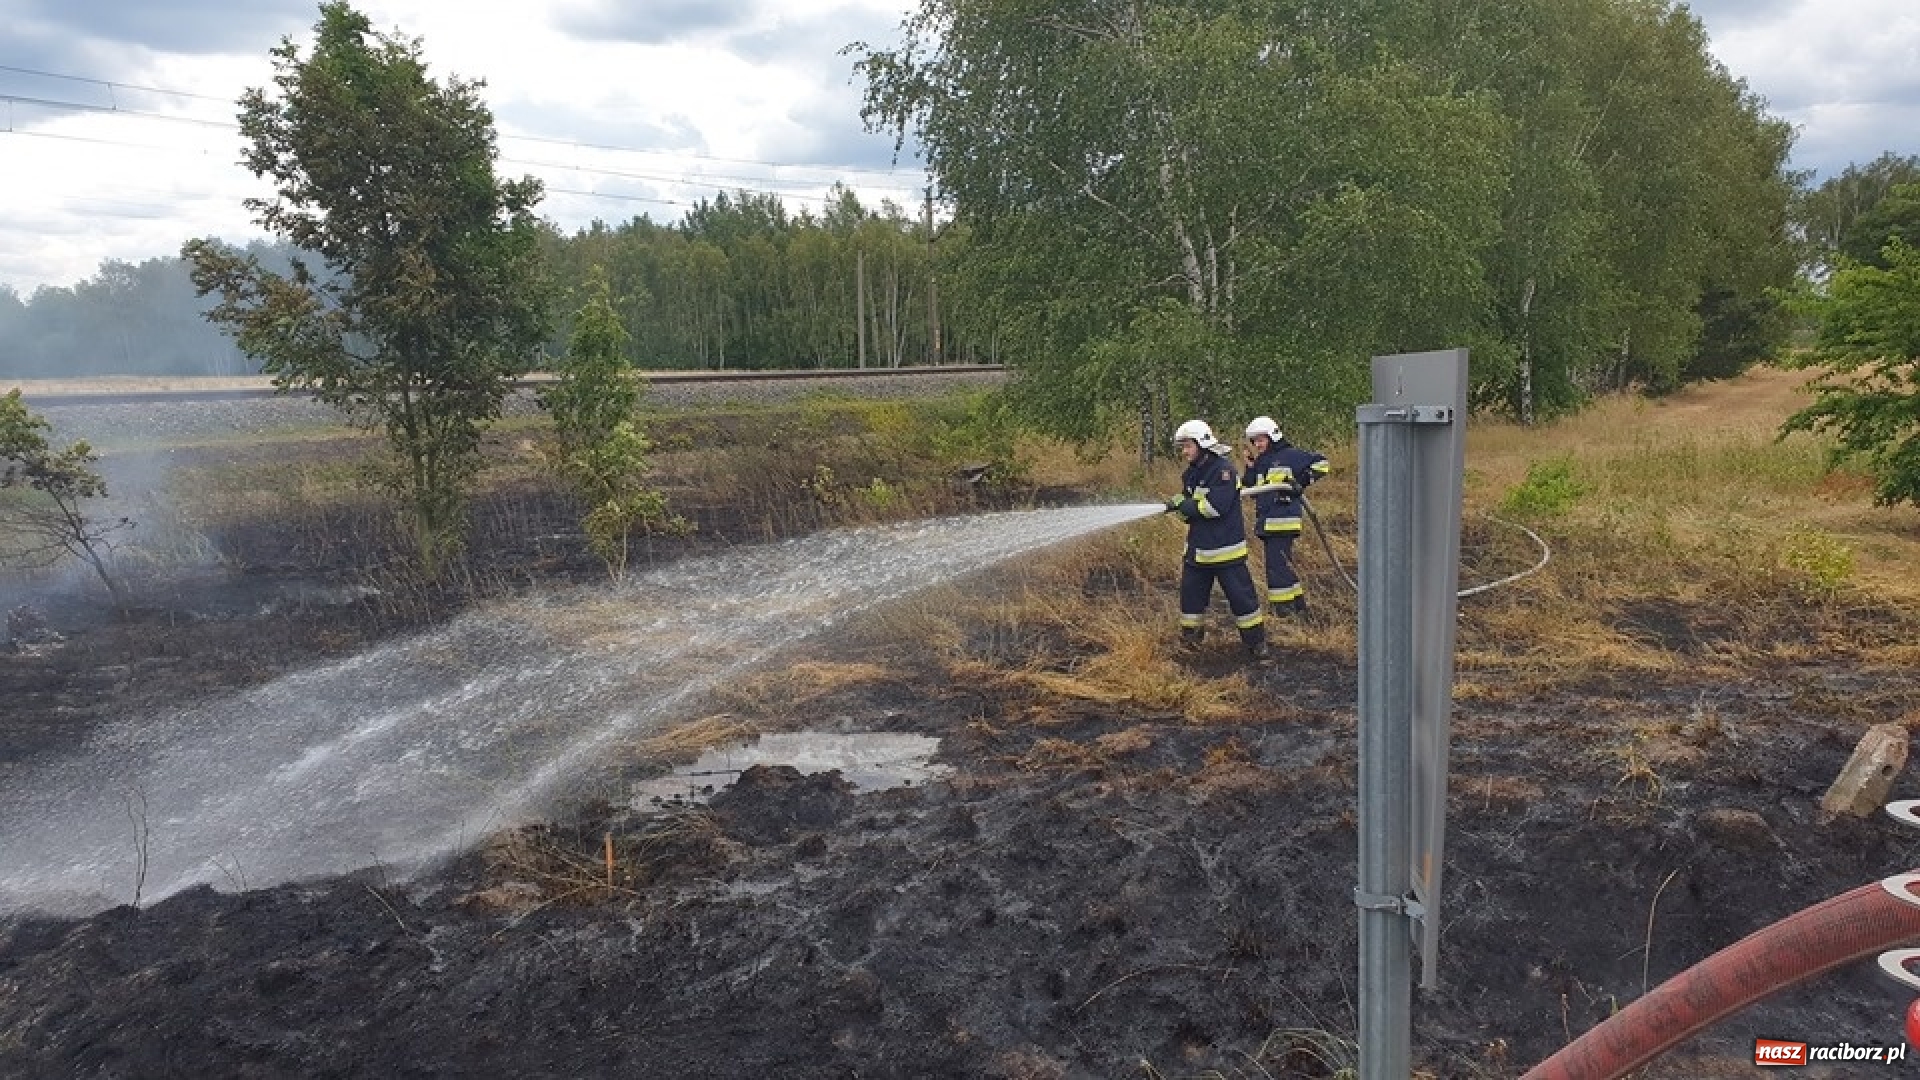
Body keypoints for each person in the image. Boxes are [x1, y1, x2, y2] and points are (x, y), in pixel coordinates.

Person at [1164, 419, 1268, 664]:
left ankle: (1256, 643)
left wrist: (1184, 505)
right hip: (1197, 551)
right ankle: (1190, 642)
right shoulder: (1190, 474)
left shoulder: (1223, 472)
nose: (1185, 452)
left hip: (1225, 552)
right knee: (1190, 600)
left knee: (1242, 599)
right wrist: (1179, 507)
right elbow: (1189, 511)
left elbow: (1213, 508)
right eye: (1183, 447)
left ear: (1202, 443)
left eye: (1188, 446)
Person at [1241, 415, 1330, 618]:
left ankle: (1283, 611)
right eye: (1254, 441)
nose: (1257, 444)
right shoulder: (1263, 461)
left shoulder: (1290, 455)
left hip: (1282, 519)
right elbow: (1252, 489)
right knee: (1283, 564)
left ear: (1272, 437)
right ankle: (1298, 604)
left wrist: (1301, 482)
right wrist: (1250, 467)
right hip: (1268, 520)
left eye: (1261, 440)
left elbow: (1322, 463)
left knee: (1276, 566)